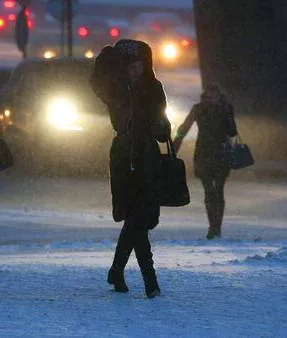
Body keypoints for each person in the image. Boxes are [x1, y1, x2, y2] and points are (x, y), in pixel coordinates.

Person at [91, 39, 171, 298]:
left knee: (140, 218)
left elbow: (163, 123)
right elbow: (96, 79)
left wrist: (160, 128)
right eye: (129, 67)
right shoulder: (116, 89)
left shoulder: (154, 87)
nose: (134, 71)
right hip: (125, 157)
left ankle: (116, 270)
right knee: (135, 216)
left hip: (147, 156)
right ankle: (150, 280)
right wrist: (110, 54)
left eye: (138, 66)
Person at [173, 85, 237, 239]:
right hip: (205, 153)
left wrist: (227, 115)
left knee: (218, 190)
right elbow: (185, 127)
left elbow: (232, 131)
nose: (211, 99)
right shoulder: (199, 109)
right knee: (209, 190)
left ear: (219, 96)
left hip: (220, 153)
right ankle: (213, 228)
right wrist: (174, 148)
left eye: (213, 96)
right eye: (208, 96)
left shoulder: (225, 108)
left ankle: (216, 228)